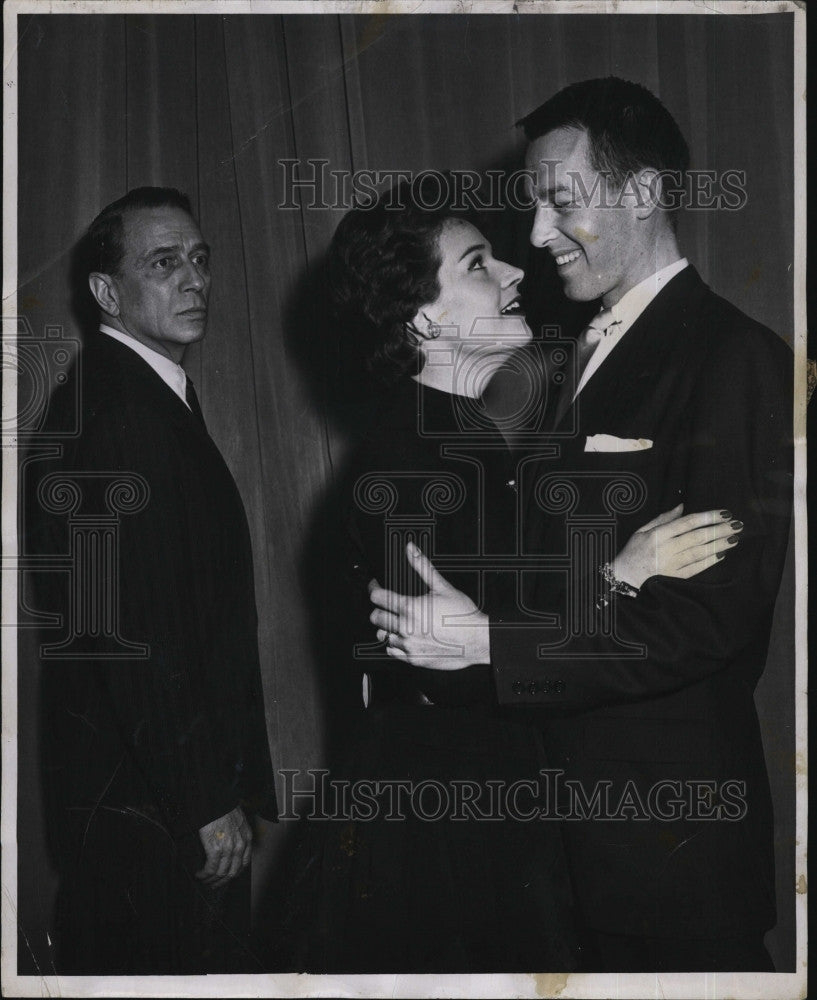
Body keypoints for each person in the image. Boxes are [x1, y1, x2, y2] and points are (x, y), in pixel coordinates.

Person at [370, 78, 793, 972]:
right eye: (531, 205)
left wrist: (493, 643)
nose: (535, 234)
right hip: (549, 851)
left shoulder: (736, 357)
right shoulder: (547, 363)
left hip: (664, 849)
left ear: (642, 194)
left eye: (561, 200)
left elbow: (707, 621)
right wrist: (611, 574)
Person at [309, 180, 740, 973]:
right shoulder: (403, 474)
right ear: (424, 317)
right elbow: (462, 677)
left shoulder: (491, 438)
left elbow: (497, 632)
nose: (513, 273)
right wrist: (618, 573)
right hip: (454, 835)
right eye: (477, 263)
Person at [27, 187, 277, 973]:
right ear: (108, 292)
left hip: (144, 804)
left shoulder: (134, 396)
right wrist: (201, 800)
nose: (194, 279)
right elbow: (132, 636)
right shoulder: (125, 418)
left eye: (200, 261)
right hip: (159, 815)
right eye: (164, 263)